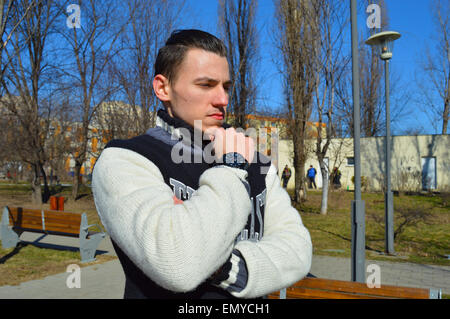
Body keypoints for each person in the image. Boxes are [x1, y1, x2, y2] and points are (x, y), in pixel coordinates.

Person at [92, 29, 312, 299]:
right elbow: (178, 264)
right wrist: (231, 167)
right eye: (206, 85)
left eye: (226, 86)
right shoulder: (126, 160)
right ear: (163, 88)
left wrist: (223, 269)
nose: (223, 100)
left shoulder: (256, 162)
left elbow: (298, 250)